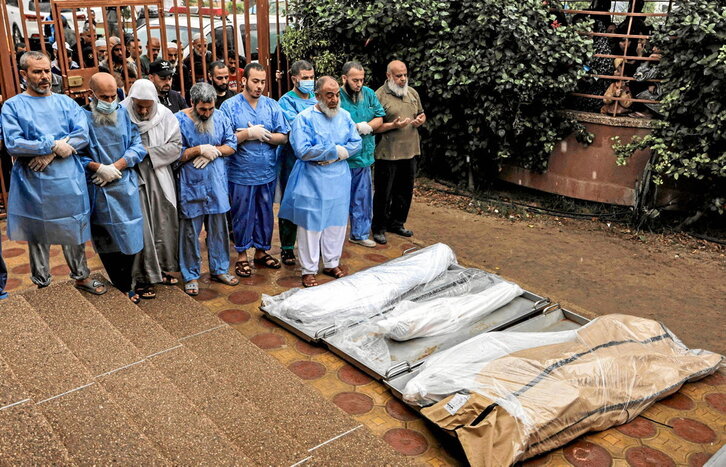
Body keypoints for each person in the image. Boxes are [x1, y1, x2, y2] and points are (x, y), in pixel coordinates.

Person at [1, 51, 105, 294]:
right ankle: (42, 283)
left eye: (47, 70)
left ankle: (81, 275)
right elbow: (13, 143)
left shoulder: (66, 102)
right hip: (33, 182)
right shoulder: (13, 106)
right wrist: (49, 144)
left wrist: (52, 152)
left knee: (74, 227)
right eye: (37, 72)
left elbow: (81, 135)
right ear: (24, 74)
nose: (45, 76)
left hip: (68, 179)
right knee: (38, 232)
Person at [279, 76, 361, 287]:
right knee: (310, 226)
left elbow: (356, 142)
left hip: (339, 179)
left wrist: (340, 155)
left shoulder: (344, 116)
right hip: (311, 180)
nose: (334, 99)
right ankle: (308, 269)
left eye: (336, 95)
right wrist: (334, 150)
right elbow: (302, 150)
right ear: (318, 96)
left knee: (336, 223)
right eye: (329, 95)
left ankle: (332, 262)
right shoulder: (304, 118)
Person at [81, 73, 147, 303]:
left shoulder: (123, 114)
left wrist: (117, 166)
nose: (109, 102)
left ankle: (128, 282)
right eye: (104, 97)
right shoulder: (81, 118)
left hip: (124, 185)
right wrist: (98, 167)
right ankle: (121, 286)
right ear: (92, 95)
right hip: (98, 188)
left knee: (131, 239)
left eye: (113, 96)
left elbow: (138, 146)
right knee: (107, 240)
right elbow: (75, 154)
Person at [220, 63, 289, 278]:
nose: (259, 86)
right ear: (244, 81)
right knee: (242, 214)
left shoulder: (271, 106)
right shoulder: (229, 107)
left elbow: (284, 136)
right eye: (255, 81)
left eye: (262, 82)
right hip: (240, 173)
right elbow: (224, 140)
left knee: (264, 214)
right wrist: (248, 134)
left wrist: (267, 136)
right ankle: (242, 255)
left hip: (266, 171)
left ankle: (261, 251)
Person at [176, 83, 240, 295]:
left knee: (219, 230)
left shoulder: (220, 118)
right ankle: (191, 274)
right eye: (203, 109)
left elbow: (231, 145)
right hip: (191, 184)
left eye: (210, 109)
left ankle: (220, 269)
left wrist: (215, 150)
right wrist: (197, 150)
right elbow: (174, 153)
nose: (207, 113)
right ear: (193, 103)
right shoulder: (178, 121)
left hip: (215, 183)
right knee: (189, 233)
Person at [121, 79, 182, 299]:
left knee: (163, 223)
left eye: (148, 106)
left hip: (158, 174)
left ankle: (162, 269)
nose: (144, 111)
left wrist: (147, 152)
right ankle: (142, 278)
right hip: (132, 176)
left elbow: (176, 146)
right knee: (141, 228)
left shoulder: (165, 116)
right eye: (139, 106)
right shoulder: (121, 114)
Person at [372, 60, 426, 245]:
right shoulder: (379, 96)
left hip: (410, 151)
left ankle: (397, 223)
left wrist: (420, 120)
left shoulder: (412, 93)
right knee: (383, 192)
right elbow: (373, 127)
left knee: (405, 191)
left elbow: (421, 113)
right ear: (389, 76)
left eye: (405, 75)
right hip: (387, 153)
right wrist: (391, 126)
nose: (403, 79)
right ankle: (378, 228)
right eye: (398, 76)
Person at [339, 61, 385, 248]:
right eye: (354, 80)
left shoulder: (369, 94)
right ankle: (333, 238)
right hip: (342, 158)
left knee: (362, 197)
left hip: (363, 155)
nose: (358, 84)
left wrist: (367, 127)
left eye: (361, 80)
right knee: (338, 199)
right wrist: (354, 128)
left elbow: (380, 117)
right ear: (344, 78)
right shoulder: (337, 96)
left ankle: (359, 233)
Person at [276, 60, 316, 265]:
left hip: (315, 160)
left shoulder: (317, 98)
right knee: (291, 200)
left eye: (311, 77)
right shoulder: (285, 102)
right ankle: (287, 247)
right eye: (305, 78)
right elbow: (297, 128)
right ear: (294, 79)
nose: (309, 82)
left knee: (312, 202)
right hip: (293, 159)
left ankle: (310, 246)